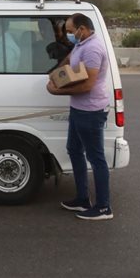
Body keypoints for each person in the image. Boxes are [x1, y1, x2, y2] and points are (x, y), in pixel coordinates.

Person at [46, 13, 113, 221]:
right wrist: (55, 73)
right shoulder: (82, 44)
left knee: (96, 158)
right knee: (74, 150)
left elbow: (87, 86)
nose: (68, 35)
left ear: (81, 29)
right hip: (78, 108)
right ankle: (83, 199)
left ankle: (103, 207)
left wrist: (57, 91)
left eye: (70, 31)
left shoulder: (93, 49)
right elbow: (69, 59)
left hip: (91, 111)